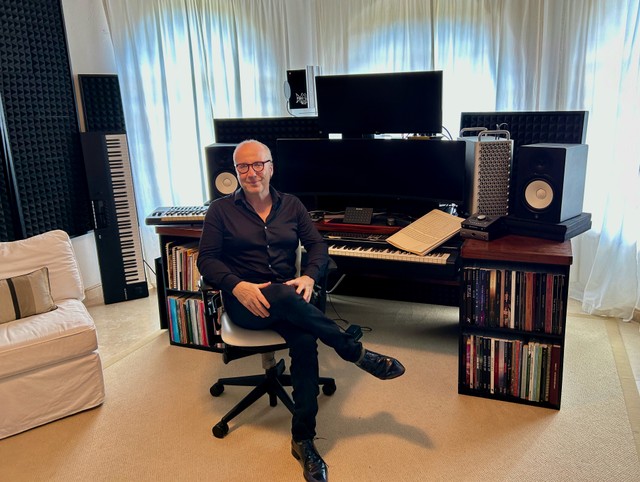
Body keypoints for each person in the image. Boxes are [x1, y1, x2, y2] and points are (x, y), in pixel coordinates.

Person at [197, 139, 405, 482]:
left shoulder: (292, 205)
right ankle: (353, 351)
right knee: (283, 295)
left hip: (289, 303)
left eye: (258, 164)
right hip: (246, 303)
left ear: (271, 167)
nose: (252, 173)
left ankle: (303, 439)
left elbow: (317, 246)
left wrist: (309, 276)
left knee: (306, 342)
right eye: (243, 166)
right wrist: (237, 285)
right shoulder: (220, 210)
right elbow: (207, 260)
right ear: (236, 171)